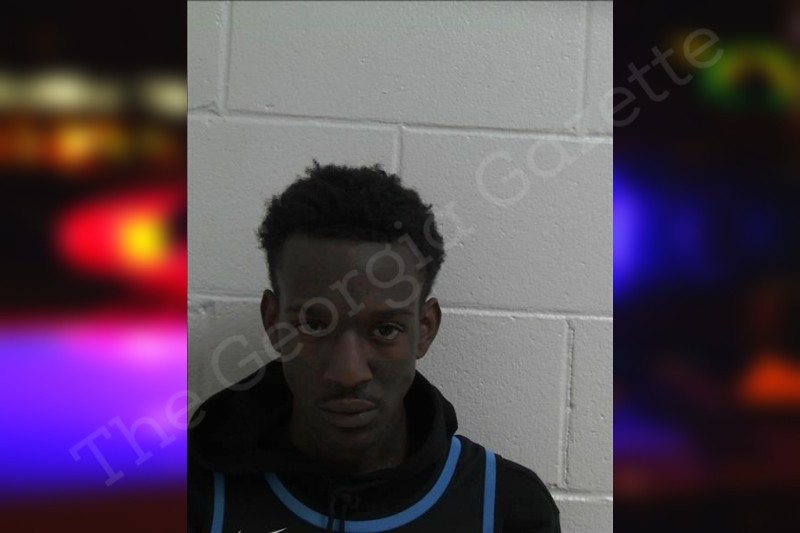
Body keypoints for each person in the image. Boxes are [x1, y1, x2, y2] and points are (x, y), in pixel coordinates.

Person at [188, 162, 561, 533]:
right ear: (273, 322)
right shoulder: (191, 492)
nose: (348, 373)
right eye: (314, 325)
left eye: (385, 329)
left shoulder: (507, 506)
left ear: (425, 329)